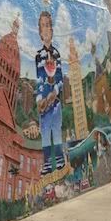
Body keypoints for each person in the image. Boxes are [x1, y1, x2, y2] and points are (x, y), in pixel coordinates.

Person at [35, 11, 65, 175]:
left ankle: (60, 159)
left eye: (48, 25)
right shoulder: (38, 56)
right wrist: (40, 99)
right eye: (43, 26)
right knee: (45, 131)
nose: (46, 29)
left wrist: (55, 91)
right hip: (44, 104)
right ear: (40, 32)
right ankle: (47, 163)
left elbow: (59, 77)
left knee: (56, 129)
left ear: (52, 30)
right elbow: (39, 79)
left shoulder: (56, 54)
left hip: (56, 102)